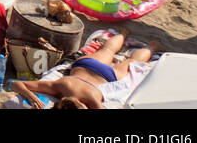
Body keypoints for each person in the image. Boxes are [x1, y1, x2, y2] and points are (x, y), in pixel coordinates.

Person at [12, 28, 159, 109]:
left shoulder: (91, 100)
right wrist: (30, 95)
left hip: (106, 77)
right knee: (107, 50)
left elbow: (15, 84)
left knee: (132, 62)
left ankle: (153, 46)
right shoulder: (61, 85)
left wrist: (30, 96)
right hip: (87, 66)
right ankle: (124, 33)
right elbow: (16, 84)